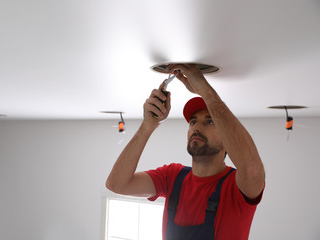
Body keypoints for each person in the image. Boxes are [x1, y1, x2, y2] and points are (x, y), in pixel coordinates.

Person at [106, 64, 265, 240]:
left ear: (227, 141)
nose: (196, 127)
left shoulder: (236, 186)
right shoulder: (172, 177)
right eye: (193, 122)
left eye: (209, 122)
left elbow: (252, 169)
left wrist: (204, 90)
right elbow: (117, 184)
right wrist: (147, 126)